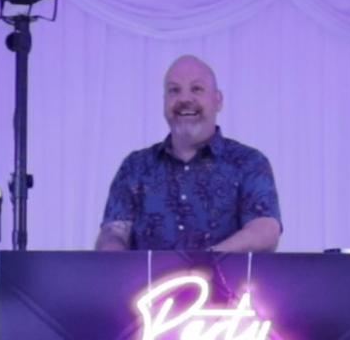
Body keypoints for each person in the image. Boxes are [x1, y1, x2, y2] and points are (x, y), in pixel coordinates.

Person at [95, 56, 282, 252]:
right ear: (165, 101)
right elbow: (113, 232)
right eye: (174, 90)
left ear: (217, 100)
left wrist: (206, 263)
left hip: (225, 283)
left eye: (197, 89)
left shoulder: (248, 162)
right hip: (147, 284)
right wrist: (111, 261)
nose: (184, 99)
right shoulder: (135, 167)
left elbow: (265, 229)